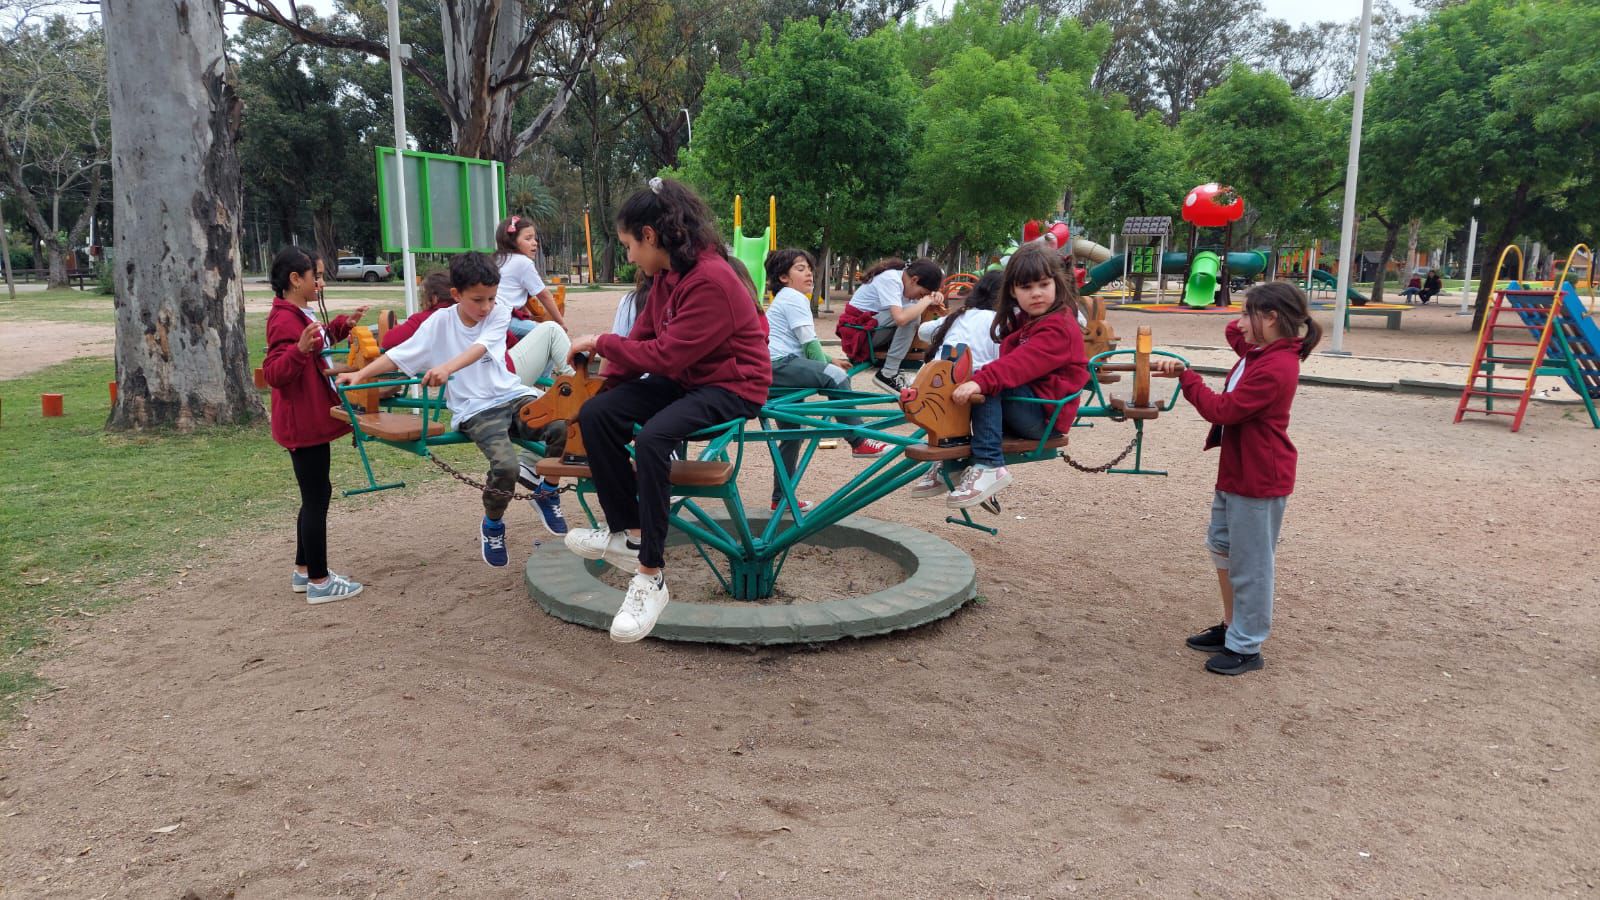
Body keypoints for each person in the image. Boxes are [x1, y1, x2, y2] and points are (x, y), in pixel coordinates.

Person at [562, 177, 772, 643]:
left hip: (734, 385)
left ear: (651, 236)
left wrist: (599, 341)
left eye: (630, 246)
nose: (631, 256)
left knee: (655, 437)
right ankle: (627, 531)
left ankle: (650, 575)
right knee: (600, 416)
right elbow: (641, 337)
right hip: (690, 377)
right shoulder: (668, 275)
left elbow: (665, 356)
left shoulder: (712, 280)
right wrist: (604, 393)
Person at [336, 252, 570, 561]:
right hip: (477, 410)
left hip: (512, 395)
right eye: (478, 300)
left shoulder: (498, 313)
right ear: (456, 295)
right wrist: (361, 373)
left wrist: (446, 368)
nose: (487, 307)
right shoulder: (439, 323)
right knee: (506, 468)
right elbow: (401, 355)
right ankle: (493, 524)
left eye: (491, 298)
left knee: (562, 425)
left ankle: (547, 491)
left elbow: (480, 347)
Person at [1152, 282, 1322, 676]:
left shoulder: (1275, 366)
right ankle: (1233, 626)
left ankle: (1247, 646)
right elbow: (1234, 332)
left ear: (1271, 318)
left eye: (1249, 315)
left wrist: (1187, 377)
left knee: (1252, 564)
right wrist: (1252, 311)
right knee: (1223, 547)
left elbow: (1222, 410)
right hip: (1238, 470)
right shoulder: (1260, 350)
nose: (1239, 324)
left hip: (1259, 477)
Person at [930, 244, 1088, 509]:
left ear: (1057, 285)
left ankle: (990, 465)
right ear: (1013, 292)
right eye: (1026, 287)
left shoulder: (1058, 327)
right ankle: (952, 460)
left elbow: (1017, 366)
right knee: (975, 382)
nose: (1036, 293)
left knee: (989, 384)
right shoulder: (1027, 320)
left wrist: (979, 381)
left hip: (1045, 417)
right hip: (1029, 409)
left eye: (1043, 284)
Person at [262, 246, 368, 604]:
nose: (320, 283)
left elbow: (317, 343)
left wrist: (340, 326)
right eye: (316, 276)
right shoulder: (283, 319)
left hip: (306, 421)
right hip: (301, 423)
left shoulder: (297, 313)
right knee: (316, 498)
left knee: (314, 495)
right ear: (296, 279)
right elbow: (275, 373)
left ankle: (304, 570)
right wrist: (299, 350)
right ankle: (320, 582)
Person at [764, 248, 889, 511]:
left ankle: (781, 498)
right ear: (783, 277)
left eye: (809, 268)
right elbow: (809, 347)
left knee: (791, 433)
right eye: (800, 268)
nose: (809, 272)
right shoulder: (793, 299)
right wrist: (829, 368)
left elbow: (804, 346)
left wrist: (829, 360)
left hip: (775, 370)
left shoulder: (786, 298)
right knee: (835, 377)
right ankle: (858, 440)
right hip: (780, 366)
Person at [835, 257, 946, 392]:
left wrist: (934, 296)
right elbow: (900, 319)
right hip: (858, 335)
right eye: (921, 294)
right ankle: (889, 372)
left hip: (871, 330)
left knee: (914, 310)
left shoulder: (904, 282)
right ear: (914, 280)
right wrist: (926, 300)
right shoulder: (891, 279)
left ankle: (893, 369)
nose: (919, 298)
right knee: (912, 315)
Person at [494, 213, 567, 334]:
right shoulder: (523, 262)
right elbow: (544, 295)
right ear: (512, 242)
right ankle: (576, 353)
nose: (534, 243)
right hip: (504, 321)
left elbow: (515, 297)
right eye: (528, 239)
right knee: (551, 333)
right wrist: (560, 323)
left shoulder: (497, 259)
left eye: (534, 238)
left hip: (490, 316)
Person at [381, 271, 454, 350]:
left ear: (434, 298)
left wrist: (396, 328)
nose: (421, 301)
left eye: (424, 295)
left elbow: (388, 342)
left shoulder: (422, 320)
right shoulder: (462, 314)